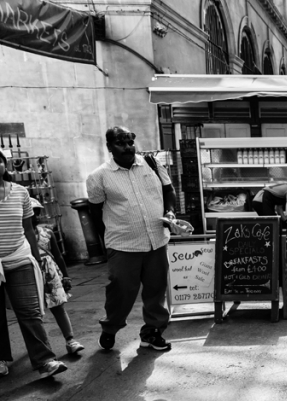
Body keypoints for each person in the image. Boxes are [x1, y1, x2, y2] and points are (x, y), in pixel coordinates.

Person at [87, 127, 176, 352]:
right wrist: (105, 240)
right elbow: (95, 211)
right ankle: (110, 327)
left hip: (156, 239)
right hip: (123, 244)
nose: (127, 147)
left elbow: (168, 191)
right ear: (109, 147)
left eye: (130, 142)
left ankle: (152, 332)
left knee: (156, 290)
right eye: (120, 143)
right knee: (121, 290)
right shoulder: (98, 176)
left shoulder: (153, 164)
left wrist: (171, 212)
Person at [0, 150, 68, 378]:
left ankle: (45, 361)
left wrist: (37, 260)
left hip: (20, 258)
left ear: (4, 165)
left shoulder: (20, 192)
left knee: (30, 312)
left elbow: (28, 229)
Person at [30, 198, 84, 354]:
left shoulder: (47, 232)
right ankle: (40, 346)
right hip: (31, 274)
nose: (34, 216)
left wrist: (66, 277)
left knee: (58, 307)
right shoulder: (19, 237)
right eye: (31, 213)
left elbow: (58, 256)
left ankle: (70, 340)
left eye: (36, 213)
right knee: (34, 313)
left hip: (50, 274)